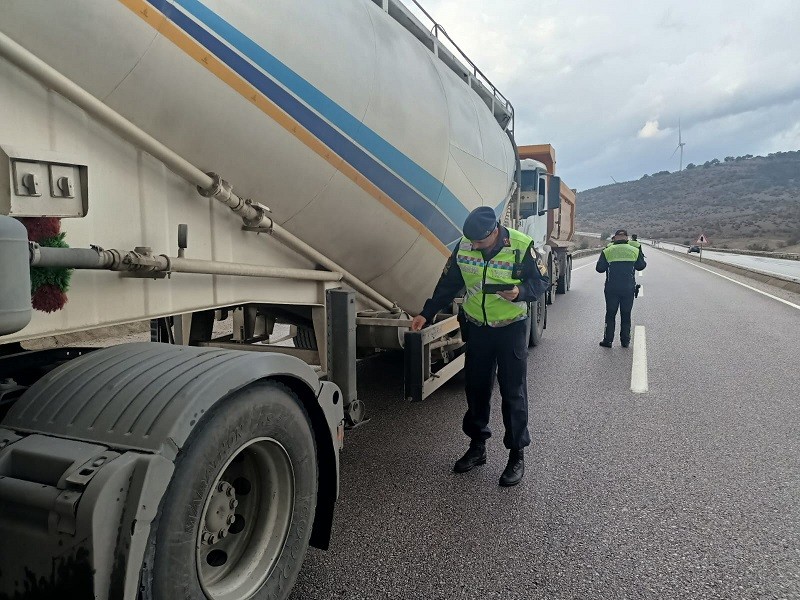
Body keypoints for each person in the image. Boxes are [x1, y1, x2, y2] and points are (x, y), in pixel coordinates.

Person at [411, 206, 549, 487]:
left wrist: (520, 292)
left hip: (510, 328)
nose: (474, 246)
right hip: (477, 328)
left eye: (479, 241)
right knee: (476, 389)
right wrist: (427, 313)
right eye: (471, 240)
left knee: (513, 392)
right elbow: (448, 284)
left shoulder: (521, 245)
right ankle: (477, 447)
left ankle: (516, 454)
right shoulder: (465, 246)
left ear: (495, 231)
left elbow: (542, 281)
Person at [596, 229, 646, 348]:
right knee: (626, 314)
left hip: (611, 288)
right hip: (628, 288)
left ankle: (608, 340)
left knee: (610, 313)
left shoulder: (608, 250)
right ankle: (625, 341)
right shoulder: (634, 250)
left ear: (615, 238)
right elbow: (641, 266)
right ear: (627, 238)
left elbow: (599, 269)